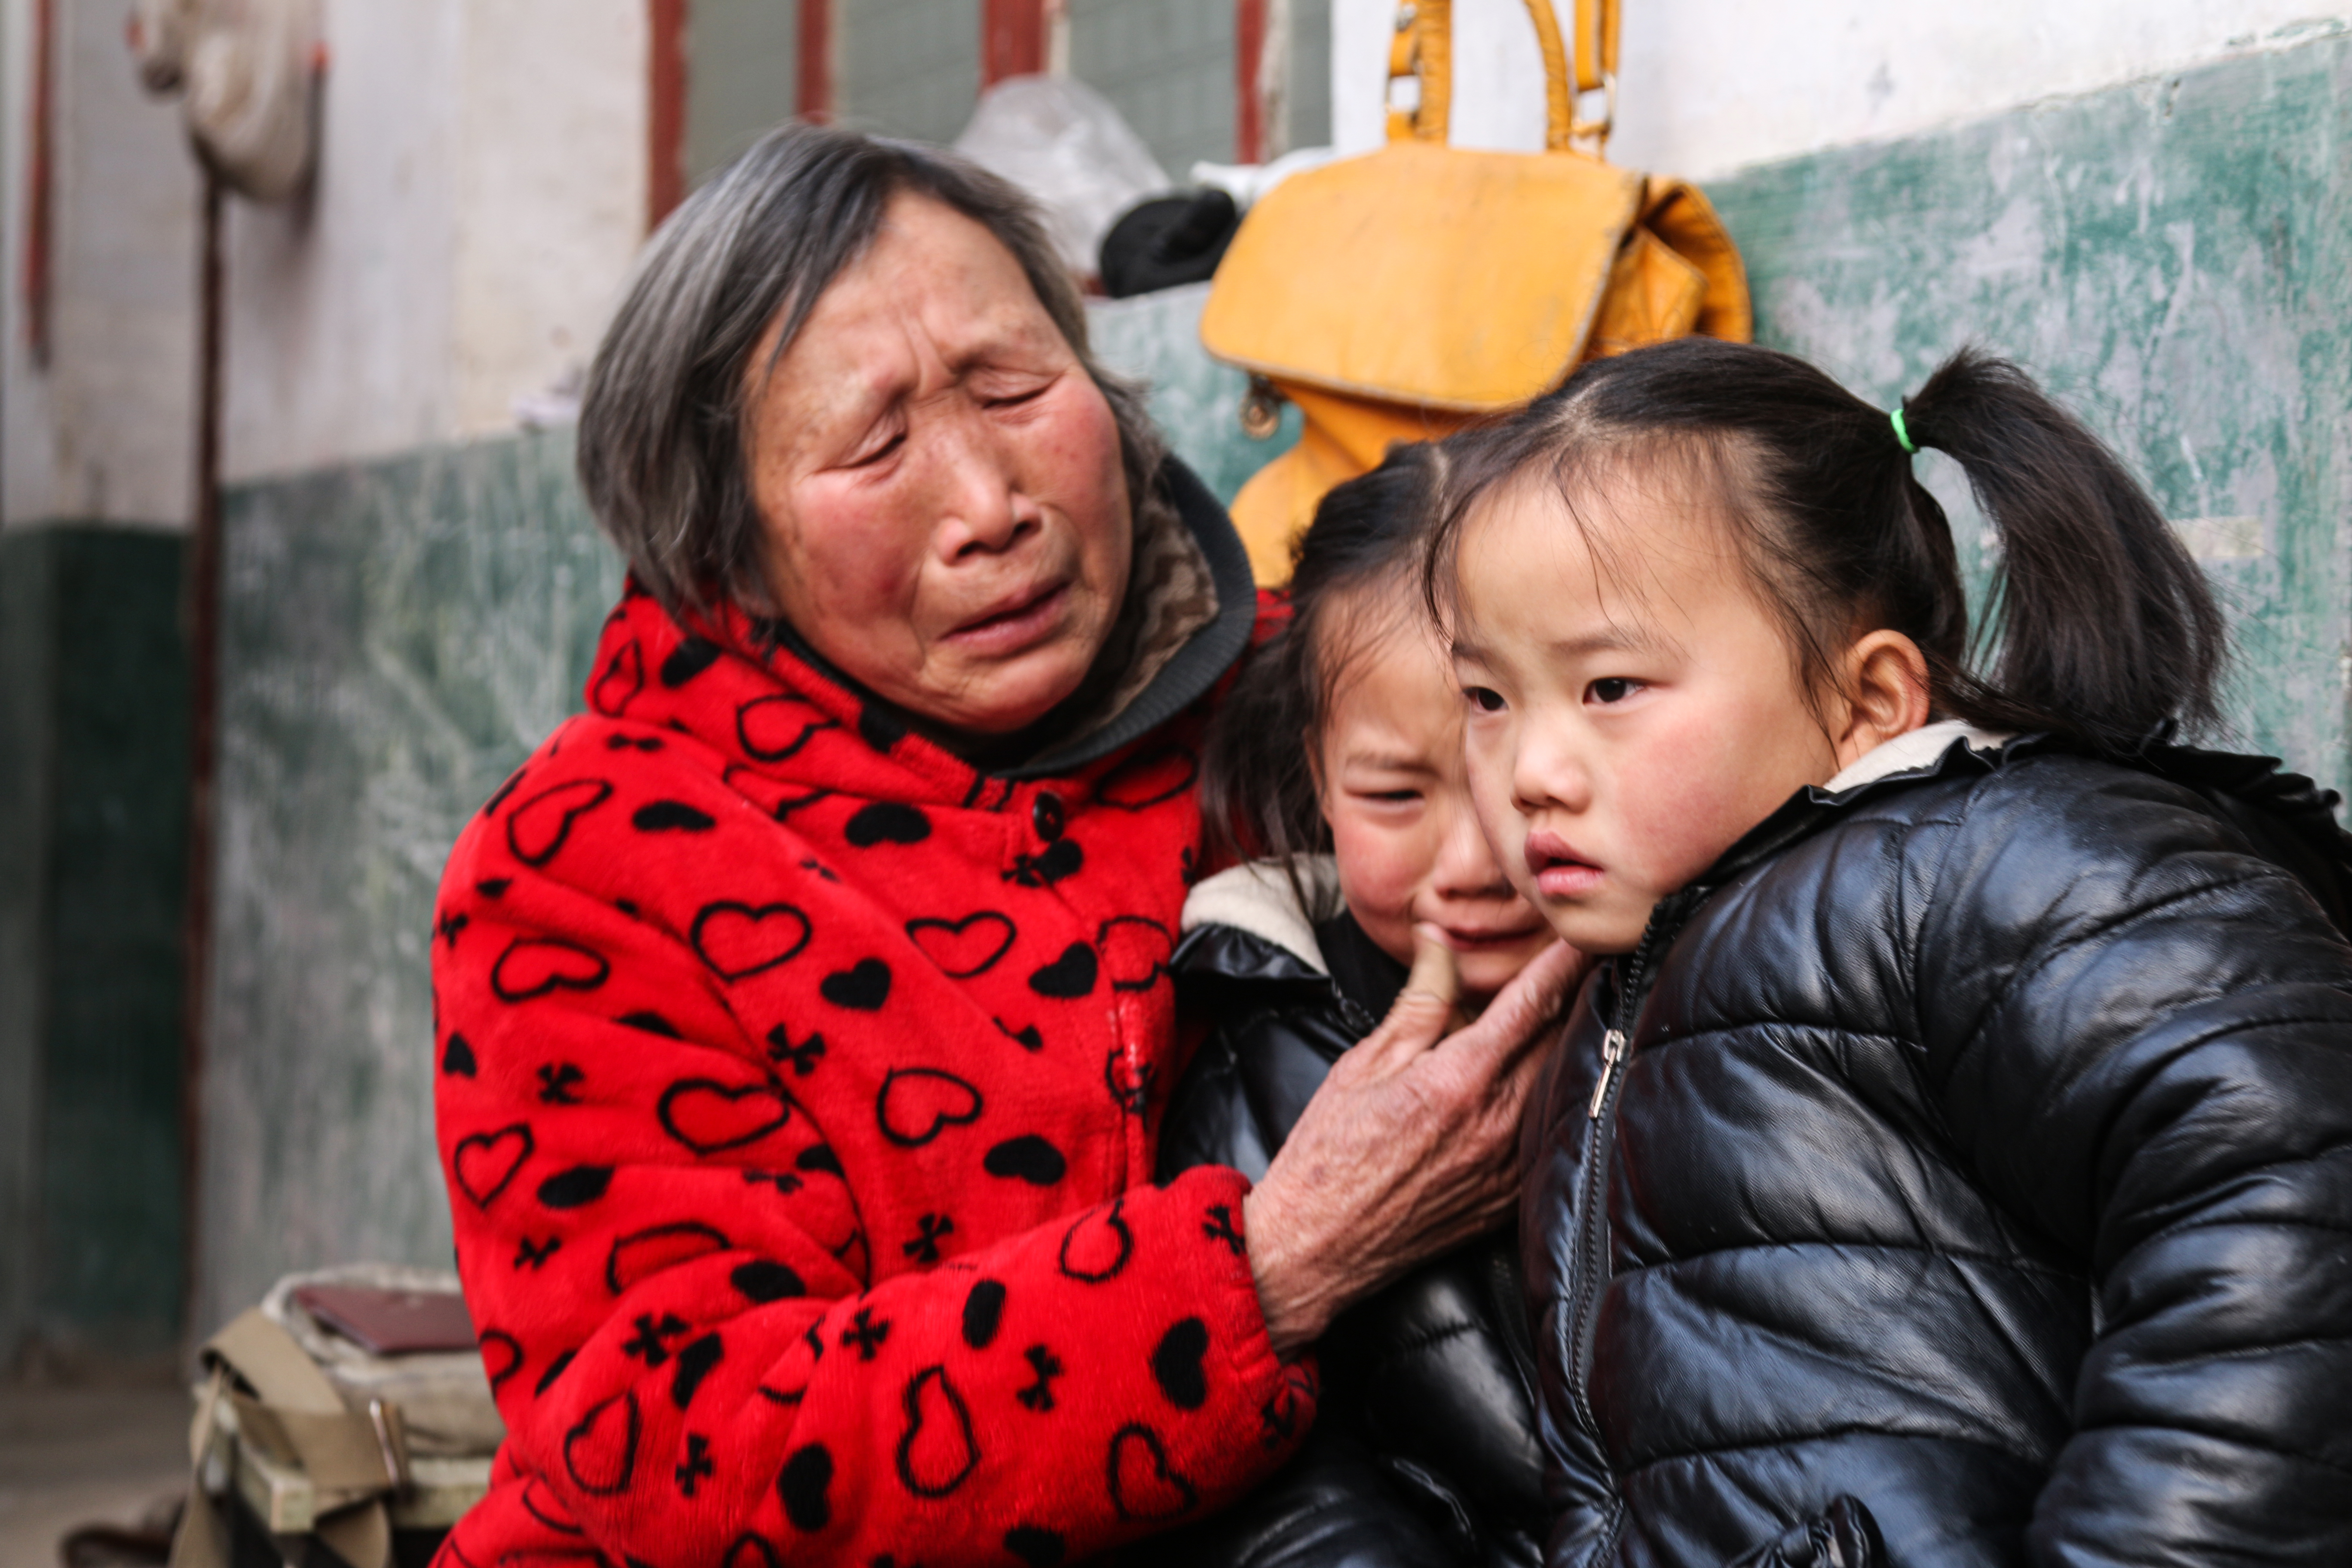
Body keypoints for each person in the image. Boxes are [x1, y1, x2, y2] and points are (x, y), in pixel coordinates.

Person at [426, 123, 1578, 1568]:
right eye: (875, 444)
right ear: (727, 556)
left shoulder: (1318, 721)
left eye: (1016, 388)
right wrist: (1269, 1267)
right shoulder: (585, 867)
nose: (991, 507)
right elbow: (675, 1444)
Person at [1430, 337, 2352, 1567]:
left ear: (1869, 701)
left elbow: (2290, 1197)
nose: (1528, 776)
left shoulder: (1981, 869)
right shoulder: (1607, 1019)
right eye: (1487, 700)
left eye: (1610, 688)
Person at [1149, 444, 1565, 1568]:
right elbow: (1287, 1498)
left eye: (1518, 783)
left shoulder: (1710, 976)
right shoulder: (1258, 1067)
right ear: (1319, 776)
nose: (1472, 862)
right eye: (1395, 794)